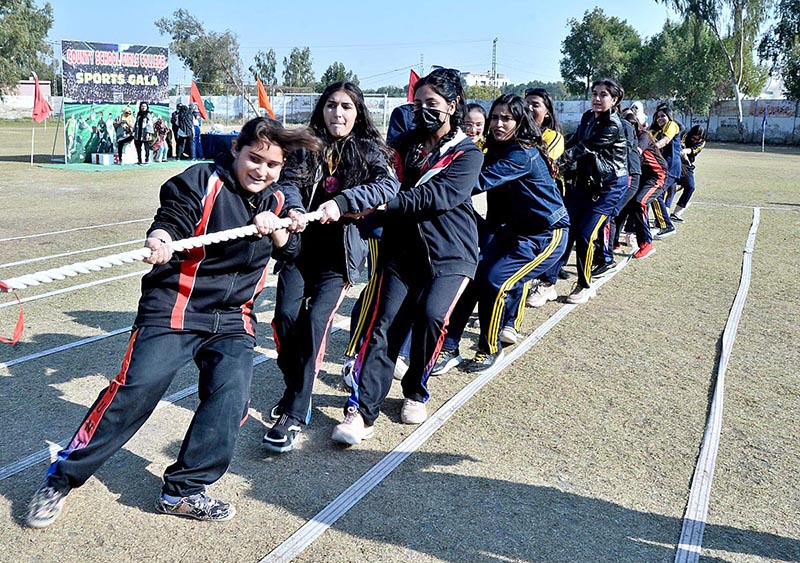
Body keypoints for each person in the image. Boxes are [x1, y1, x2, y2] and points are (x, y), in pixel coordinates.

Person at [24, 117, 320, 528]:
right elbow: (174, 216)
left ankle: (183, 491)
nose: (261, 170)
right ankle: (61, 477)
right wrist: (161, 238)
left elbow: (292, 252)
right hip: (175, 307)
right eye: (254, 158)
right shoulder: (200, 180)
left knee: (230, 394)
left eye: (272, 164)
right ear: (236, 149)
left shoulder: (278, 200)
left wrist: (280, 232)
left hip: (233, 317)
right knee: (136, 392)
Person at [330, 68, 483, 445]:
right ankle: (361, 411)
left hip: (452, 253)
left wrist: (383, 204)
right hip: (402, 251)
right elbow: (380, 172)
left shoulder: (468, 154)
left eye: (432, 104)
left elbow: (436, 198)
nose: (423, 110)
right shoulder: (404, 143)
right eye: (418, 104)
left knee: (431, 317)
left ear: (453, 105)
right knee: (383, 326)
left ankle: (415, 388)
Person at [263, 82, 399, 453]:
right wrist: (292, 207)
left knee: (314, 326)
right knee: (285, 320)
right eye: (331, 106)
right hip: (299, 250)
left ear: (358, 113)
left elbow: (388, 186)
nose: (337, 114)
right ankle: (296, 388)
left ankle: (294, 410)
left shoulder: (370, 150)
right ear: (321, 109)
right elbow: (288, 183)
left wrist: (342, 202)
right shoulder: (306, 144)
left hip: (338, 258)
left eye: (346, 107)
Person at [434, 94, 569, 375]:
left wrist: (430, 186)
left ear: (520, 122)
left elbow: (475, 183)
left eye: (506, 118)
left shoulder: (522, 153)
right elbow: (493, 203)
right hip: (510, 232)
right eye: (494, 117)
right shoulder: (496, 150)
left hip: (546, 235)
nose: (498, 123)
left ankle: (488, 348)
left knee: (496, 282)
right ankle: (449, 347)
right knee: (472, 277)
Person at [560, 78, 629, 304]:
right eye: (595, 94)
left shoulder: (612, 124)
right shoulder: (588, 117)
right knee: (565, 226)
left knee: (586, 234)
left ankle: (584, 284)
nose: (597, 99)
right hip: (587, 182)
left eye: (603, 95)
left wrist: (557, 161)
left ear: (614, 100)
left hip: (609, 185)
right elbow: (574, 140)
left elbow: (585, 147)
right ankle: (548, 280)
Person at [614, 109, 668, 260]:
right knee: (623, 204)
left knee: (640, 202)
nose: (628, 127)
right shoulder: (622, 137)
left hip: (657, 176)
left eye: (631, 123)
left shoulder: (643, 136)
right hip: (641, 176)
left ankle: (646, 243)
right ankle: (613, 241)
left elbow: (636, 151)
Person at [648, 105, 683, 238]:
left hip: (671, 167)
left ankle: (667, 226)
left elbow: (665, 141)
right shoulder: (656, 131)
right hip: (662, 168)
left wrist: (650, 148)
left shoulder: (671, 125)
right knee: (657, 195)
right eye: (657, 117)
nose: (660, 119)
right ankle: (660, 223)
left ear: (669, 116)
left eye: (663, 116)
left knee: (654, 194)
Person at [670, 124, 706, 222]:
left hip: (687, 165)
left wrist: (686, 151)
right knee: (670, 187)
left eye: (698, 139)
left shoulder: (702, 142)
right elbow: (680, 144)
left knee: (691, 186)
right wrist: (681, 151)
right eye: (694, 138)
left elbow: (693, 150)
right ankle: (663, 213)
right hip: (675, 162)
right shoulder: (685, 135)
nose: (695, 140)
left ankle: (676, 213)